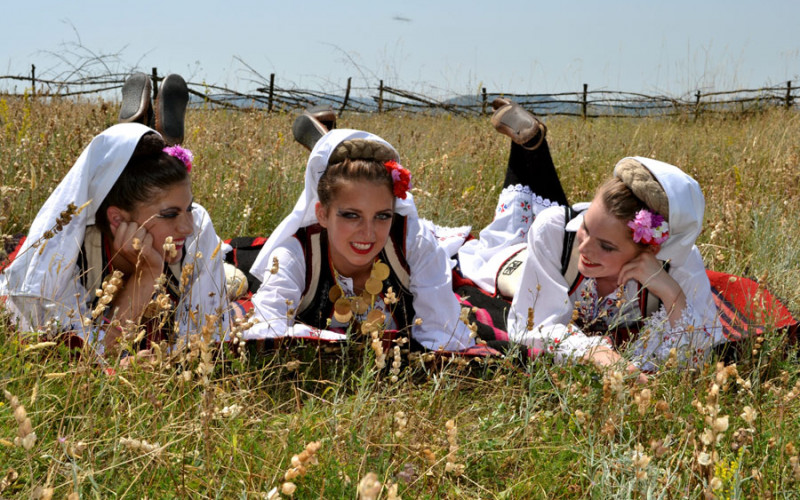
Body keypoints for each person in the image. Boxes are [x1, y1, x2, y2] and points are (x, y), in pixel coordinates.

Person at [456, 99, 721, 375]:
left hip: (560, 245)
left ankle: (533, 142)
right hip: (526, 260)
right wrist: (593, 351)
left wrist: (671, 291)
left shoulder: (679, 261)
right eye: (586, 225)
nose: (585, 247)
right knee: (512, 223)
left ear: (650, 250)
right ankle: (529, 145)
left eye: (606, 246)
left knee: (549, 214)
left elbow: (698, 353)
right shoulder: (559, 232)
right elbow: (531, 325)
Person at [0, 77, 228, 357]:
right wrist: (146, 275)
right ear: (118, 220)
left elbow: (207, 337)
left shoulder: (199, 227)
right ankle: (134, 141)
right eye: (169, 215)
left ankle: (141, 143)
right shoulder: (69, 258)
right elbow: (86, 358)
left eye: (189, 208)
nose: (188, 227)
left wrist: (165, 360)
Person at [244, 128, 480, 352]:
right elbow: (265, 331)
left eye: (382, 216)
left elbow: (446, 335)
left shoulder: (413, 244)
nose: (368, 233)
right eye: (351, 215)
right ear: (322, 214)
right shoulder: (296, 254)